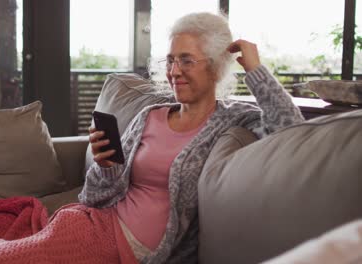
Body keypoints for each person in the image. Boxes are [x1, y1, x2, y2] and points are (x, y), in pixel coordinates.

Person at [79, 12, 304, 263]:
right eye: (170, 61)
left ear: (216, 68)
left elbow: (293, 133)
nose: (174, 71)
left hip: (134, 249)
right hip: (98, 224)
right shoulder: (149, 115)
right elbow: (92, 198)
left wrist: (255, 69)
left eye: (186, 61)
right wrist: (106, 167)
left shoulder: (236, 118)